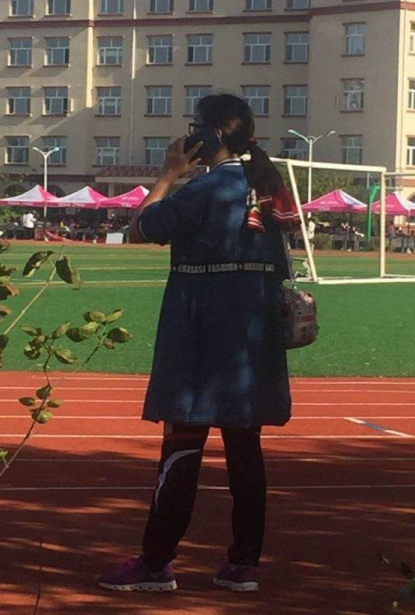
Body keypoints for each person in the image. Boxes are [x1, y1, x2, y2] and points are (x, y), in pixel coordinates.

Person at [98, 93, 296, 594]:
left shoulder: (206, 187)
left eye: (195, 126)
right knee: (245, 452)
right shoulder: (268, 187)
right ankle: (243, 564)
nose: (189, 135)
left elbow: (140, 229)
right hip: (253, 337)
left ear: (214, 133)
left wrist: (167, 176)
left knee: (182, 448)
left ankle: (156, 562)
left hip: (201, 334)